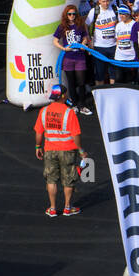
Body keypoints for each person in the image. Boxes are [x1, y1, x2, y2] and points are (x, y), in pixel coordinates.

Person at [35, 84, 86, 217]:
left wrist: (37, 147)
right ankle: (67, 207)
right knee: (68, 179)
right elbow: (75, 135)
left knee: (51, 180)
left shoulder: (44, 111)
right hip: (67, 150)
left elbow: (39, 133)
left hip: (50, 150)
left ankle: (52, 208)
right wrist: (80, 150)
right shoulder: (69, 113)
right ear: (63, 96)